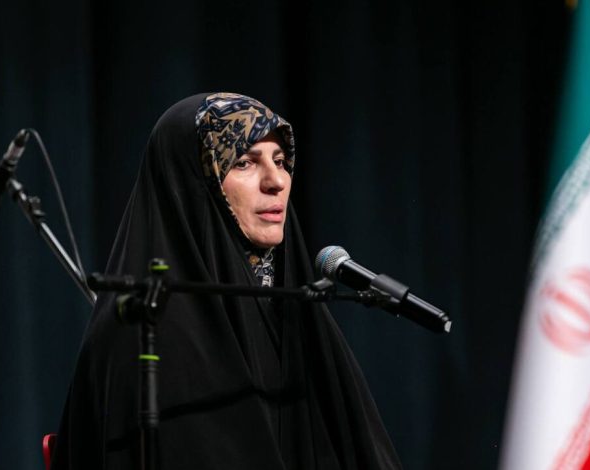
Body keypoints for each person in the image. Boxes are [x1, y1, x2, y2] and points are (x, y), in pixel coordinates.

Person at [51, 93, 402, 469]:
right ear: (196, 183)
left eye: (280, 161)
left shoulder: (294, 307)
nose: (276, 181)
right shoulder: (143, 333)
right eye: (244, 162)